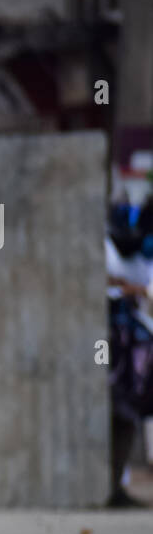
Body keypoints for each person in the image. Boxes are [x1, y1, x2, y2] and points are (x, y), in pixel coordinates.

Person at [102, 195, 153, 507]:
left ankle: (115, 484)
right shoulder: (104, 249)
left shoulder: (145, 253)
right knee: (108, 412)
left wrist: (132, 290)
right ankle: (106, 484)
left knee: (128, 414)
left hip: (136, 350)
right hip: (106, 347)